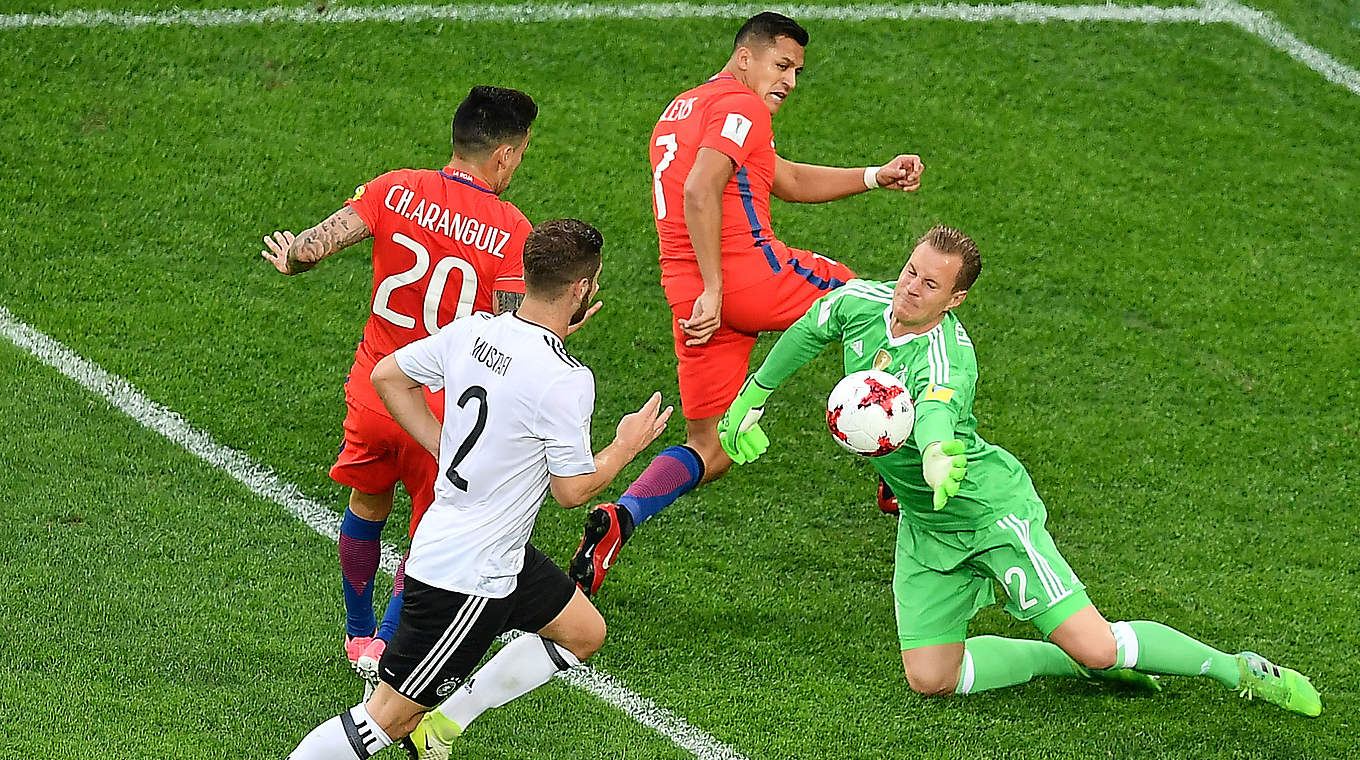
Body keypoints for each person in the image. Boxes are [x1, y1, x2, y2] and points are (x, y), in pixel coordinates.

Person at [716, 224, 1322, 716]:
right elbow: (808, 330)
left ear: (955, 299)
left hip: (986, 509)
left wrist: (933, 453)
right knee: (931, 677)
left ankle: (1236, 668)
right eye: (910, 271)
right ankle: (1066, 663)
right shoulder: (859, 303)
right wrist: (753, 395)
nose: (911, 288)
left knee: (1101, 644)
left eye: (931, 285)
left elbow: (935, 413)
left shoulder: (949, 355)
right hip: (927, 527)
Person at [285, 218, 673, 760]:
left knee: (583, 631)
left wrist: (442, 445)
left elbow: (389, 376)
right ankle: (409, 727)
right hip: (468, 580)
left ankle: (442, 726)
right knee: (384, 720)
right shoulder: (565, 379)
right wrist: (627, 446)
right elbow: (572, 490)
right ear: (583, 290)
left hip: (493, 552)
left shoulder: (475, 331)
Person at [569, 11, 926, 595]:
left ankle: (620, 518)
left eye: (797, 71)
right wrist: (718, 284)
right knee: (874, 304)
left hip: (689, 297)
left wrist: (872, 176)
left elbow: (779, 177)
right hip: (743, 276)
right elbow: (700, 187)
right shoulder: (742, 104)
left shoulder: (683, 108)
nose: (788, 81)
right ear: (745, 58)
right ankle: (894, 463)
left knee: (712, 447)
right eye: (781, 65)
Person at [260, 86, 567, 678]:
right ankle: (391, 647)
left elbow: (315, 245)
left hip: (377, 391)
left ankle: (357, 634)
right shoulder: (510, 229)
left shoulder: (396, 187)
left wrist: (293, 257)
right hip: (447, 418)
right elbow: (515, 330)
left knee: (365, 502)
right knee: (429, 535)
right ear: (504, 155)